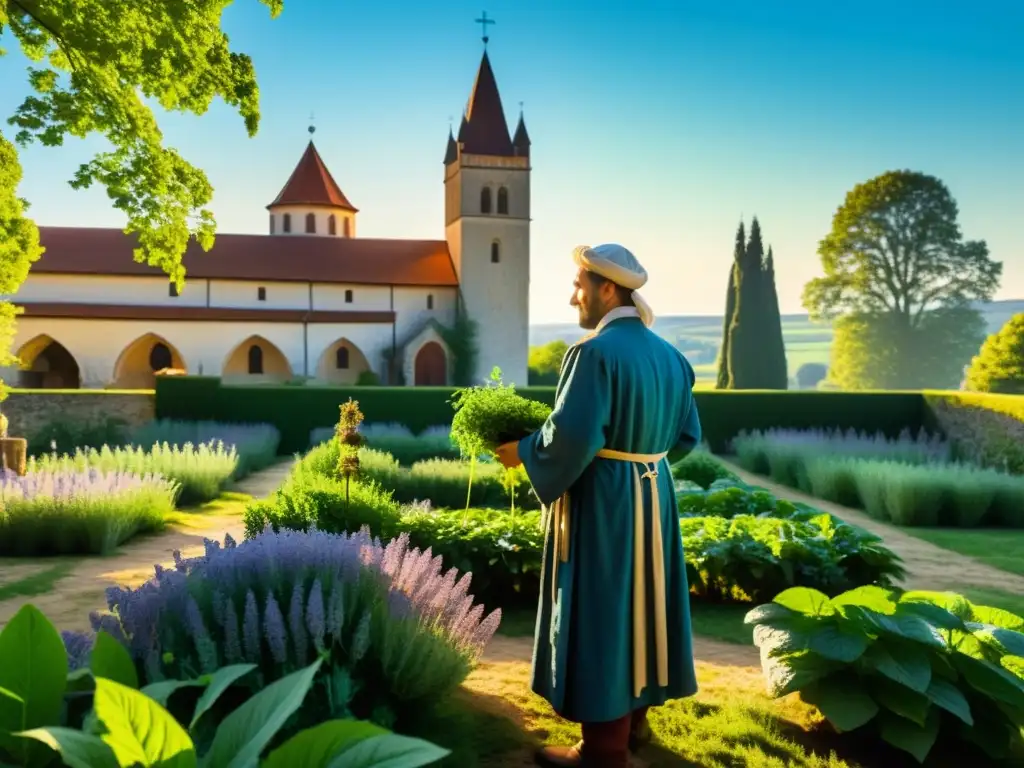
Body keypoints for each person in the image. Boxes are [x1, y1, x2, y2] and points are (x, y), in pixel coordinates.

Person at [496, 244, 702, 768]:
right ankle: (635, 723)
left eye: (578, 286)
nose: (573, 298)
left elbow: (574, 438)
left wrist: (521, 452)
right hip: (654, 496)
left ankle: (603, 752)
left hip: (606, 502)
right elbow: (686, 437)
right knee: (644, 604)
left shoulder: (593, 354)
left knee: (604, 611)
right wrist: (641, 464)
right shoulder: (672, 358)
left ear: (607, 289)